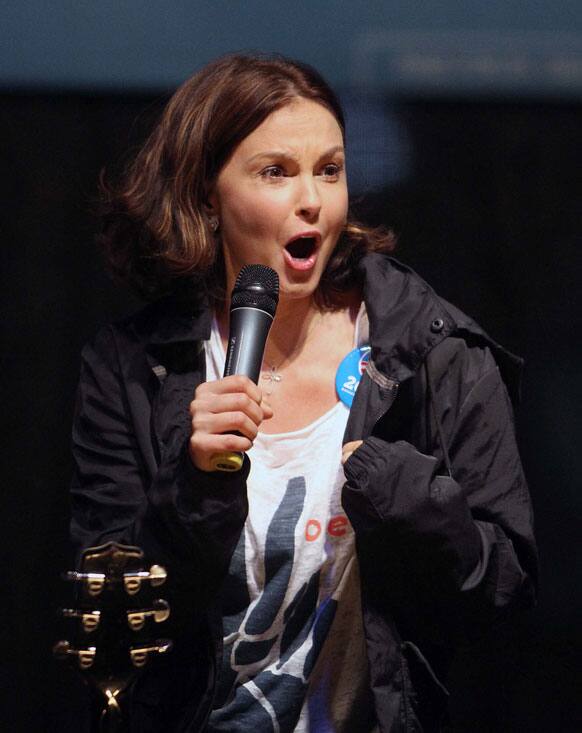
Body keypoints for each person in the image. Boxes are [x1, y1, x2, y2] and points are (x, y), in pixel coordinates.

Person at [70, 53, 537, 732]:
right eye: (276, 172)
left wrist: (411, 496)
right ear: (207, 193)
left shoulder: (434, 352)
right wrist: (194, 487)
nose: (312, 200)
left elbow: (506, 597)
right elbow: (105, 635)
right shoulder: (134, 368)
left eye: (329, 170)